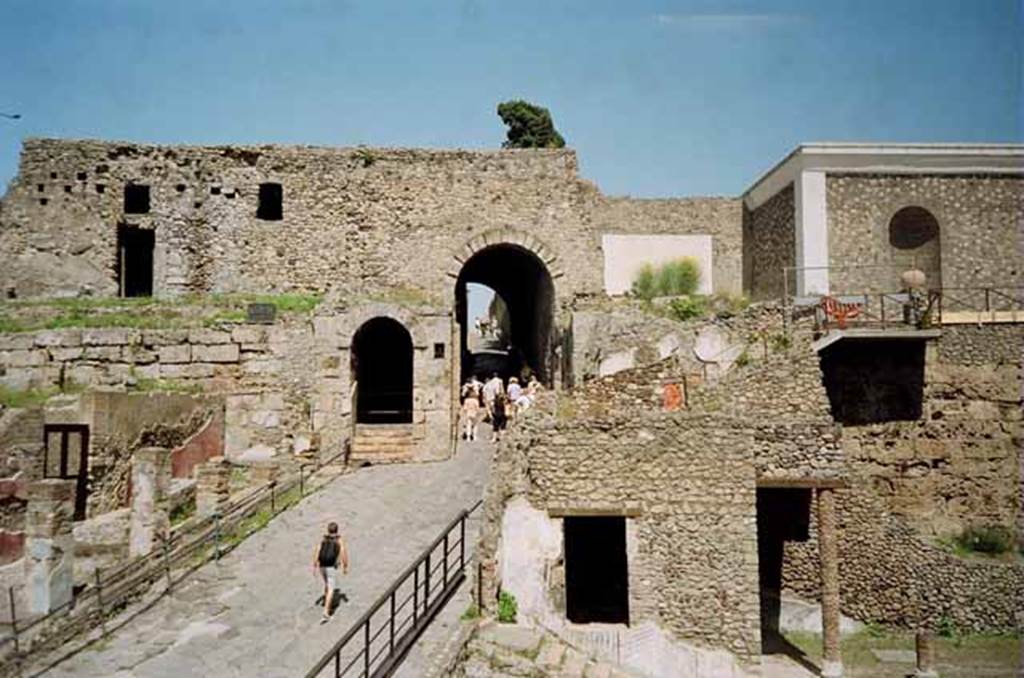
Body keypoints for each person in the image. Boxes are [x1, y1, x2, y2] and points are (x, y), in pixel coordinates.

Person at [312, 521, 349, 623]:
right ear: (337, 530)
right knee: (332, 588)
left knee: (327, 584)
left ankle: (328, 603)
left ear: (328, 530)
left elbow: (317, 550)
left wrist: (315, 565)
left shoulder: (324, 539)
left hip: (322, 566)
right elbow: (343, 553)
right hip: (331, 566)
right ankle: (326, 613)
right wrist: (345, 566)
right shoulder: (339, 540)